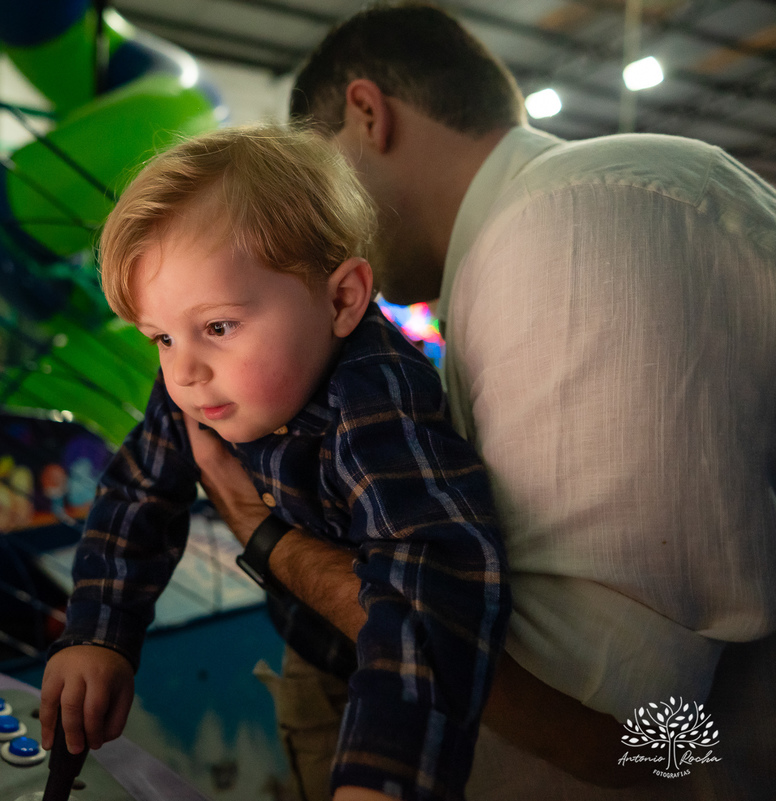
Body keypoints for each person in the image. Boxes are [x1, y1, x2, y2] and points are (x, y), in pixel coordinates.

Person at [193, 3, 776, 799]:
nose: (313, 231)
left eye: (312, 182)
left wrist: (275, 541)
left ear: (368, 113)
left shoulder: (568, 225)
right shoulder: (532, 236)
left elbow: (617, 731)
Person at [39, 124, 512, 801]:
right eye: (161, 338)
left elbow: (431, 585)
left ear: (342, 299)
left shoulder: (375, 398)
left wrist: (385, 775)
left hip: (420, 683)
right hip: (313, 654)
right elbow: (137, 494)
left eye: (218, 326)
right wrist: (99, 634)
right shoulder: (202, 384)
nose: (184, 372)